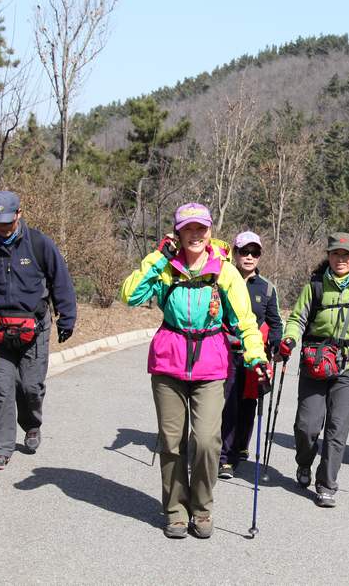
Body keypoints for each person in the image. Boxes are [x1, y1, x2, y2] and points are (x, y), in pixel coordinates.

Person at [120, 203, 269, 540]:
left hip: (210, 362)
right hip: (169, 362)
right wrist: (158, 257)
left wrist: (256, 357)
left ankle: (201, 509)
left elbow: (245, 320)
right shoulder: (165, 268)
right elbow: (129, 295)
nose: (196, 234)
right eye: (188, 228)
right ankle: (175, 510)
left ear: (210, 230)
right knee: (172, 442)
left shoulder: (225, 271)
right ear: (178, 232)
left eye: (201, 228)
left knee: (205, 441)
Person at [0, 190, 77, 471]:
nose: (1, 227)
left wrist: (66, 318)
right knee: (2, 387)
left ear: (19, 215)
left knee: (31, 386)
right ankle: (0, 447)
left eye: (7, 221)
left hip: (34, 328)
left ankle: (32, 425)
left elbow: (61, 281)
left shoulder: (39, 244)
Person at [279, 232, 349, 508]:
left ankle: (326, 484)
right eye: (336, 253)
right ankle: (304, 463)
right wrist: (289, 339)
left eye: (346, 255)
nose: (341, 259)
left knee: (337, 429)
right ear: (328, 255)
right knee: (307, 426)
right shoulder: (314, 287)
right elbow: (297, 319)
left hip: (347, 367)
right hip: (315, 364)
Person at [217, 231, 283, 479]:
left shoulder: (266, 288)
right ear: (235, 253)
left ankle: (241, 445)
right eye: (244, 251)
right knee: (229, 404)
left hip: (254, 354)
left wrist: (277, 342)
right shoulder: (222, 280)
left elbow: (275, 322)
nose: (249, 257)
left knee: (248, 404)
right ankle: (225, 458)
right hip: (226, 351)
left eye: (254, 252)